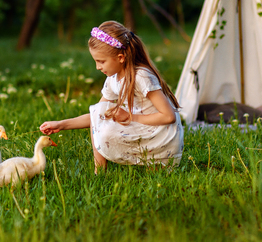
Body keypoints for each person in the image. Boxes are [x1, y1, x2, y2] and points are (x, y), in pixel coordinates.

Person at [40, 21, 184, 173]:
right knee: (100, 112)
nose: (97, 67)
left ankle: (156, 161)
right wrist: (61, 125)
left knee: (106, 131)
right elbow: (96, 115)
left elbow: (168, 117)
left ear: (121, 57)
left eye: (101, 61)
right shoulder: (113, 78)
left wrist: (129, 117)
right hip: (144, 128)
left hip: (162, 136)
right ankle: (100, 171)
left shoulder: (140, 76)